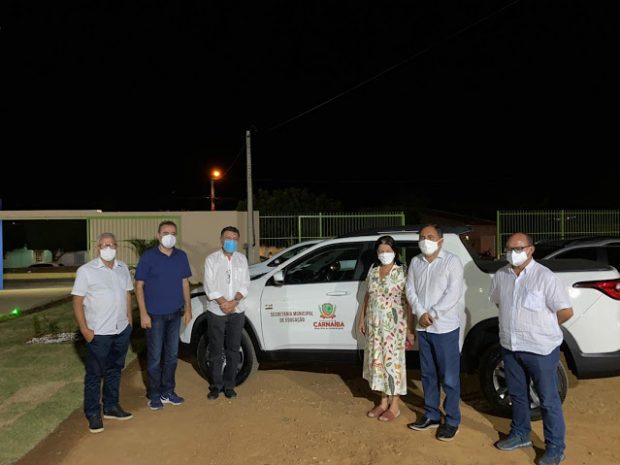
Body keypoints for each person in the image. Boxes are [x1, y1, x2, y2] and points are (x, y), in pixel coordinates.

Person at [490, 232, 573, 465]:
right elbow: (499, 302)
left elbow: (565, 311)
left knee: (548, 400)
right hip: (511, 346)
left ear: (530, 249)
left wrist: (542, 328)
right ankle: (520, 434)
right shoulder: (501, 275)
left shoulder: (545, 277)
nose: (512, 253)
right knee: (517, 394)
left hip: (540, 350)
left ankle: (555, 448)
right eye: (509, 248)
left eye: (518, 248)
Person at [406, 224, 464, 441]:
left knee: (449, 378)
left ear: (440, 240)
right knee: (428, 375)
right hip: (424, 328)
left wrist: (432, 314)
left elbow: (453, 293)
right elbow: (410, 289)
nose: (425, 240)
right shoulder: (416, 262)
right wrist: (420, 313)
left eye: (430, 237)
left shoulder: (451, 262)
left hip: (444, 328)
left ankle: (452, 420)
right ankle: (431, 414)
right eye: (422, 237)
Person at [72, 232, 134, 433]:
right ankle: (93, 412)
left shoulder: (122, 268)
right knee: (94, 374)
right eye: (104, 245)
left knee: (115, 369)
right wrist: (85, 329)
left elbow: (127, 294)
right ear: (98, 248)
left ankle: (111, 406)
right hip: (99, 332)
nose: (109, 248)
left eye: (112, 245)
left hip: (121, 329)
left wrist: (129, 320)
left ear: (116, 247)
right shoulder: (86, 271)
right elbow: (77, 302)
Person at [135, 221, 192, 410]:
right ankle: (154, 394)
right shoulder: (148, 257)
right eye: (166, 233)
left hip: (175, 314)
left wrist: (188, 309)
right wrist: (143, 313)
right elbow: (139, 286)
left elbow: (185, 283)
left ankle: (168, 391)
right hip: (154, 316)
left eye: (173, 233)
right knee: (154, 357)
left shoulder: (181, 256)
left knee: (172, 356)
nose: (170, 236)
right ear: (158, 235)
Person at [358, 235, 414, 422]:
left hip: (394, 328)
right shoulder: (373, 271)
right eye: (381, 251)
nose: (384, 254)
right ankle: (382, 402)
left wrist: (410, 329)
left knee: (393, 364)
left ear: (395, 252)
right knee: (378, 363)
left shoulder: (402, 272)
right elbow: (368, 296)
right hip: (374, 326)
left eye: (388, 251)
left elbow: (409, 302)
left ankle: (394, 405)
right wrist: (362, 318)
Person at [203, 226, 250, 400]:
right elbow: (209, 285)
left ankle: (229, 385)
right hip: (216, 310)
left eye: (234, 238)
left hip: (237, 310)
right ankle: (216, 385)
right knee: (216, 349)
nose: (231, 241)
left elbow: (245, 284)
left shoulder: (241, 259)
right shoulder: (211, 260)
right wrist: (223, 303)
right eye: (228, 238)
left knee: (233, 349)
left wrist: (234, 301)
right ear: (221, 239)